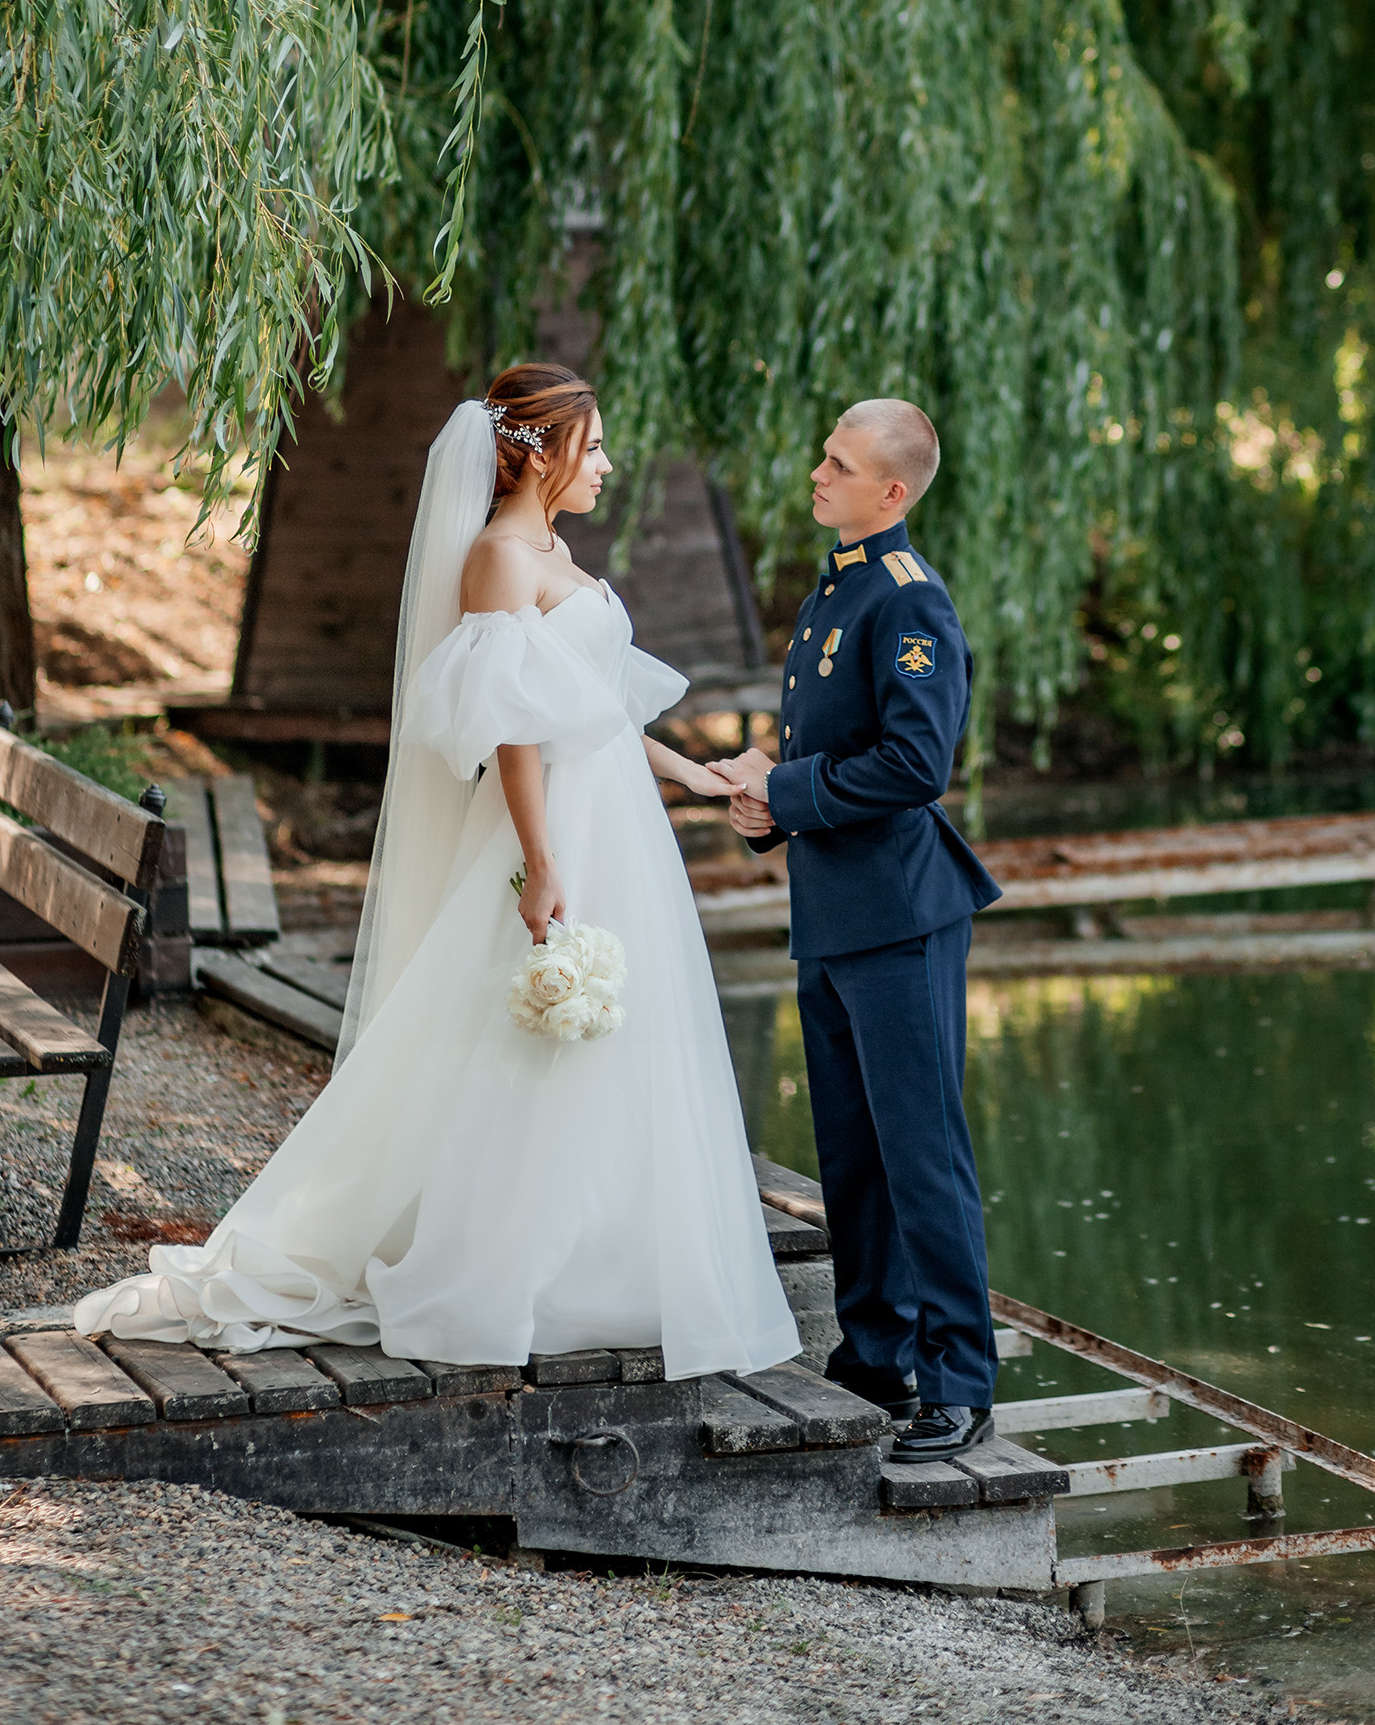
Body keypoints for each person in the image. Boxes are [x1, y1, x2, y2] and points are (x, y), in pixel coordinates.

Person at [72, 363, 799, 1381]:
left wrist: (700, 774)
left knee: (621, 1038)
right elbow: (511, 733)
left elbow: (594, 708)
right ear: (539, 451)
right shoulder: (498, 557)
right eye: (592, 447)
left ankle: (610, 1253)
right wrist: (542, 864)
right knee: (520, 1034)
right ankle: (507, 1267)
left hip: (617, 821)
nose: (607, 464)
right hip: (557, 831)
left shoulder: (550, 548)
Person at [714, 399, 1002, 1463]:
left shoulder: (903, 600)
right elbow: (827, 758)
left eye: (837, 465)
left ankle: (959, 1381)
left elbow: (916, 767)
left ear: (892, 491)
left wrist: (787, 789)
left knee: (919, 1155)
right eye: (820, 454)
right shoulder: (834, 587)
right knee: (852, 1156)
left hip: (899, 918)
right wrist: (768, 801)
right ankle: (873, 1356)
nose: (815, 474)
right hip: (833, 912)